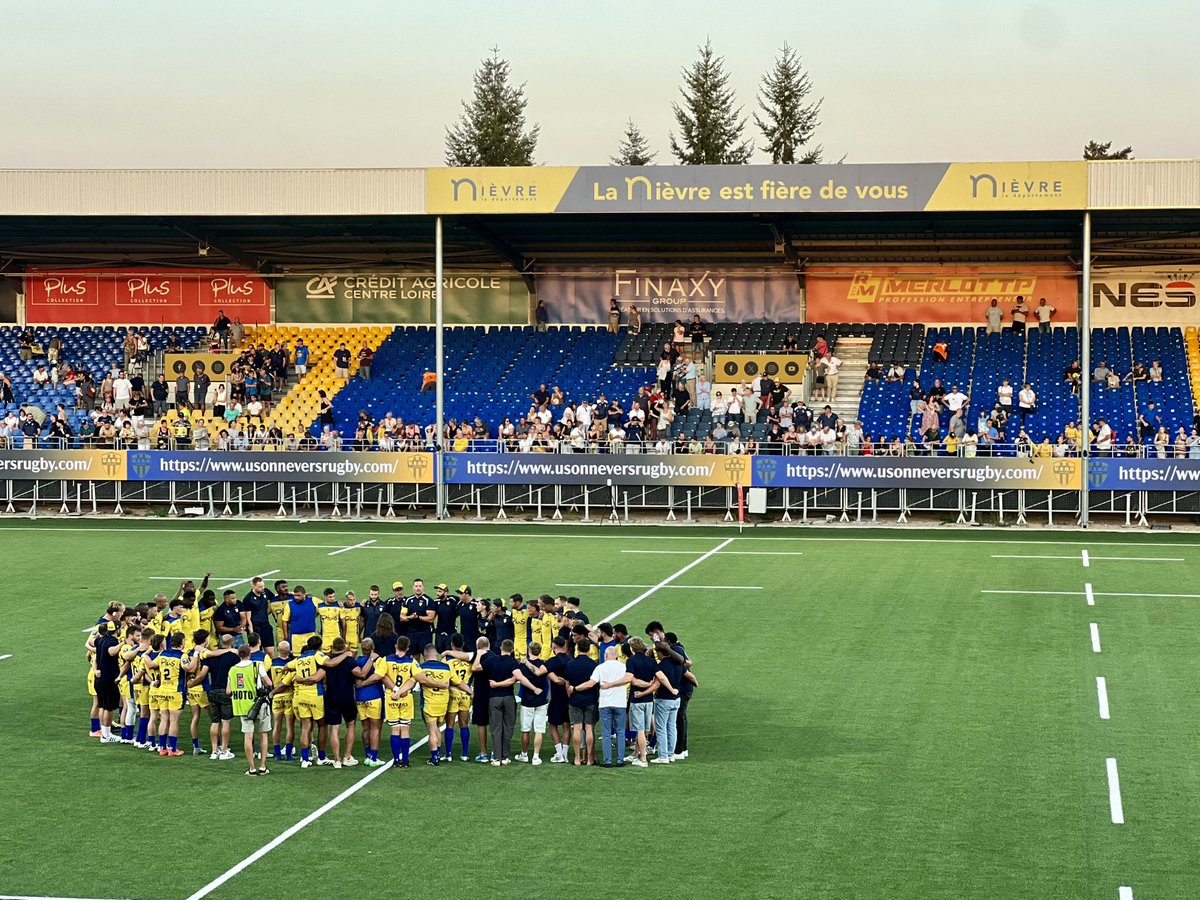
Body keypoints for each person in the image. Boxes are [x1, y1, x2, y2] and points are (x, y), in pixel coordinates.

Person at [228, 644, 272, 776]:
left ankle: (252, 768)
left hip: (243, 706)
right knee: (263, 734)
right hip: (259, 703)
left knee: (248, 736)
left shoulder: (232, 670)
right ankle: (263, 766)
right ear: (249, 654)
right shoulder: (257, 666)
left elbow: (228, 691)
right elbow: (269, 683)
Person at [376, 635, 418, 769]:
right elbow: (415, 678)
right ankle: (405, 761)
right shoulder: (411, 662)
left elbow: (382, 676)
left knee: (395, 729)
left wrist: (395, 690)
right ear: (408, 648)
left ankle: (395, 760)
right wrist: (402, 692)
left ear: (396, 646)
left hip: (391, 697)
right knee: (405, 729)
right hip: (406, 698)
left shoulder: (385, 660)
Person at [290, 635, 328, 768]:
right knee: (322, 726)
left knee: (306, 727)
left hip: (302, 696)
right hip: (315, 695)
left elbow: (287, 667)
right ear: (319, 646)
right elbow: (317, 677)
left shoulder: (298, 659)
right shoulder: (318, 655)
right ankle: (321, 757)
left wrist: (299, 679)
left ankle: (305, 759)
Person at [319, 638, 359, 768]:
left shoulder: (327, 660)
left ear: (332, 647)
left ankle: (337, 760)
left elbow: (323, 677)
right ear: (345, 646)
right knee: (351, 725)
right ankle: (347, 756)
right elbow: (359, 674)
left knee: (334, 728)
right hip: (347, 697)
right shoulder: (349, 660)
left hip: (331, 697)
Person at [593, 645, 628, 768]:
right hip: (620, 703)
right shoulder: (623, 667)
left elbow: (592, 682)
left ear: (606, 655)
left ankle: (607, 761)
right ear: (617, 656)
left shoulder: (600, 668)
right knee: (620, 732)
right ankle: (620, 760)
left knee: (606, 733)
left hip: (605, 703)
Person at [515, 642, 549, 765]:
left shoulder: (523, 666)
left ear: (529, 650)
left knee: (525, 730)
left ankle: (524, 754)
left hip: (527, 701)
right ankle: (536, 756)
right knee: (539, 729)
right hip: (541, 700)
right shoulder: (543, 665)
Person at [352, 638, 385, 766]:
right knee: (375, 728)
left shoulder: (356, 661)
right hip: (374, 696)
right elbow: (377, 676)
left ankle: (367, 756)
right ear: (373, 648)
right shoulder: (377, 660)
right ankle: (374, 758)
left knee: (365, 728)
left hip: (360, 698)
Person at [565, 645, 599, 766]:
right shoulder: (594, 665)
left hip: (575, 699)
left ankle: (577, 758)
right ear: (588, 650)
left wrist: (571, 695)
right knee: (589, 728)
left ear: (577, 649)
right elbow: (595, 684)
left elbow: (567, 684)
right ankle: (590, 759)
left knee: (577, 729)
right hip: (590, 699)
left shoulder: (570, 664)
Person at [270, 641, 296, 762]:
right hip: (289, 696)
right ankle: (289, 754)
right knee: (290, 727)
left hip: (276, 697)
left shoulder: (272, 663)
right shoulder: (291, 664)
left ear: (277, 649)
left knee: (277, 725)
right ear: (289, 650)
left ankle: (277, 754)